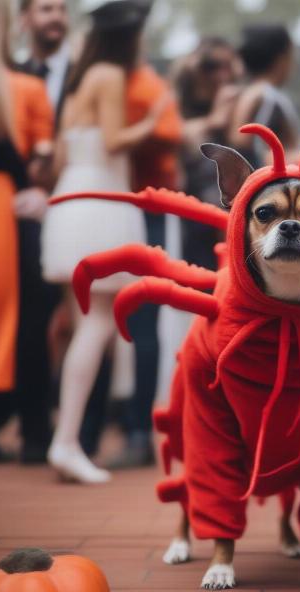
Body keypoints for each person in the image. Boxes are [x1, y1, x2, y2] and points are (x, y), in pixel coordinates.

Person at [41, 0, 166, 483]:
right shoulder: (111, 75)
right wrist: (152, 120)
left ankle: (67, 438)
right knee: (95, 329)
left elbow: (62, 157)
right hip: (101, 201)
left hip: (72, 196)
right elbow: (115, 140)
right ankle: (67, 440)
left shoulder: (78, 77)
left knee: (83, 327)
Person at [105, 17, 185, 470]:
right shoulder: (99, 79)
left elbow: (171, 132)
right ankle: (98, 427)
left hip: (145, 206)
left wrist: (132, 130)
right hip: (102, 200)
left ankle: (138, 431)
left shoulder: (146, 82)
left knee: (143, 318)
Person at [0, 0, 54, 462]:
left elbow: (41, 160)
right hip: (7, 202)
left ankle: (30, 424)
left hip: (10, 206)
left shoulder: (25, 88)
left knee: (24, 314)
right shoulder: (25, 86)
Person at [173, 37, 240, 271]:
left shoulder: (236, 99)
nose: (220, 75)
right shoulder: (179, 101)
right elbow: (177, 135)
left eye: (227, 66)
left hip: (229, 206)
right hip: (192, 207)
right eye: (211, 66)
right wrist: (212, 120)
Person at [228, 24, 299, 167]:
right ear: (282, 58)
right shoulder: (259, 95)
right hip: (270, 182)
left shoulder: (270, 95)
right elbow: (239, 142)